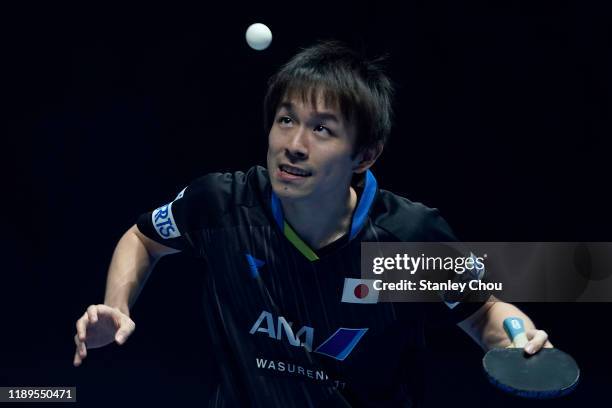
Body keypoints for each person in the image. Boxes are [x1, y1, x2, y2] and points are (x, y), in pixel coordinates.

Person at [73, 41, 552, 407]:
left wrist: (518, 339)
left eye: (321, 128)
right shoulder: (224, 207)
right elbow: (144, 237)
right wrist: (117, 305)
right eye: (286, 120)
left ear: (365, 154)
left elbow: (482, 311)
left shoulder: (402, 240)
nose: (294, 144)